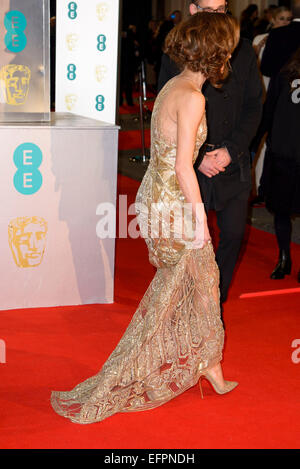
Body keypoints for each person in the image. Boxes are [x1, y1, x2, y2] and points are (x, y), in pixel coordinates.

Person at [51, 12, 240, 424]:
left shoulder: (175, 84)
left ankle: (209, 363)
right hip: (172, 201)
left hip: (154, 195)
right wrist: (199, 222)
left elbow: (172, 154)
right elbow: (183, 168)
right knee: (187, 287)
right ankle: (130, 375)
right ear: (218, 54)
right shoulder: (193, 97)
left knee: (196, 284)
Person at [158, 0, 263, 309]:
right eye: (209, 9)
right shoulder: (177, 51)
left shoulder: (241, 49)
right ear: (193, 9)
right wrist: (198, 155)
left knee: (232, 235)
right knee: (192, 241)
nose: (217, 16)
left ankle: (213, 302)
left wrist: (231, 150)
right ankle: (189, 304)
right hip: (192, 162)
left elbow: (254, 106)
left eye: (221, 9)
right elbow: (166, 110)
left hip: (233, 161)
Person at [255, 48, 300, 282]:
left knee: (281, 211)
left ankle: (284, 259)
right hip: (284, 155)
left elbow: (268, 113)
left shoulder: (284, 75)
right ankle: (284, 257)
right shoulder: (284, 76)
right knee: (281, 210)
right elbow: (269, 112)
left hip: (284, 154)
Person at [261, 0, 300, 80]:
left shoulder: (292, 38)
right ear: (273, 20)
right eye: (282, 19)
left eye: (289, 19)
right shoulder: (260, 38)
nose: (285, 22)